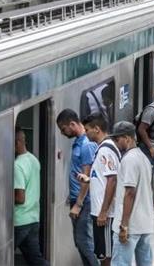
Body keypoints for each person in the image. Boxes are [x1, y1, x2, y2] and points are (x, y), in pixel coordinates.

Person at [56, 109, 99, 266]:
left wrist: (78, 204)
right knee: (80, 242)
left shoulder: (87, 145)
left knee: (85, 243)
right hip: (78, 199)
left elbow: (86, 177)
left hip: (84, 202)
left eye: (63, 129)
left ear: (72, 124)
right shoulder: (79, 142)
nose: (62, 133)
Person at [78, 113, 121, 266]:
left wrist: (103, 212)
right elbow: (104, 179)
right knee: (103, 254)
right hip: (100, 213)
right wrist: (89, 179)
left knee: (106, 257)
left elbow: (112, 180)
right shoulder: (101, 148)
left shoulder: (106, 150)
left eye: (87, 129)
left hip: (105, 215)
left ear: (97, 129)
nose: (85, 132)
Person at [109, 122, 154, 266]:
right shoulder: (143, 157)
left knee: (120, 263)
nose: (116, 143)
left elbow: (129, 193)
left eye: (117, 139)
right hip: (145, 223)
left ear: (127, 138)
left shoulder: (129, 159)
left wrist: (124, 226)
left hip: (131, 226)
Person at [13, 127, 48, 266]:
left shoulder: (17, 165)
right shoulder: (33, 160)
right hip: (33, 219)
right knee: (36, 260)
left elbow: (20, 199)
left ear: (16, 143)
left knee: (0, 255)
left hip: (19, 221)